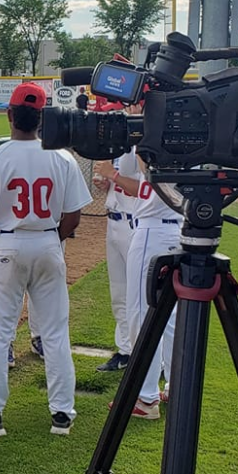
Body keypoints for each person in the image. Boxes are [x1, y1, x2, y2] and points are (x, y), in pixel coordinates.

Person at [0, 82, 93, 437]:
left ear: (9, 114)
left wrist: (4, 241)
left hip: (6, 242)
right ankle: (62, 414)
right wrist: (50, 239)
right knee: (54, 332)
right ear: (41, 117)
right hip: (49, 242)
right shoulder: (62, 157)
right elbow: (73, 216)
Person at [95, 147, 181, 420]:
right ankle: (174, 386)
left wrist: (113, 171)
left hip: (153, 229)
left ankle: (144, 397)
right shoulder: (186, 138)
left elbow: (151, 172)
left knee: (140, 313)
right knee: (169, 316)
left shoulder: (157, 139)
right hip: (176, 227)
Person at [91, 149, 140, 373]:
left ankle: (151, 355)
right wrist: (108, 184)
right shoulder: (119, 144)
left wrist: (114, 176)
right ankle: (125, 351)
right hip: (114, 221)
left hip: (136, 224)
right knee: (119, 293)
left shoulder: (146, 144)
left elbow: (148, 190)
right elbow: (118, 183)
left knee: (140, 295)